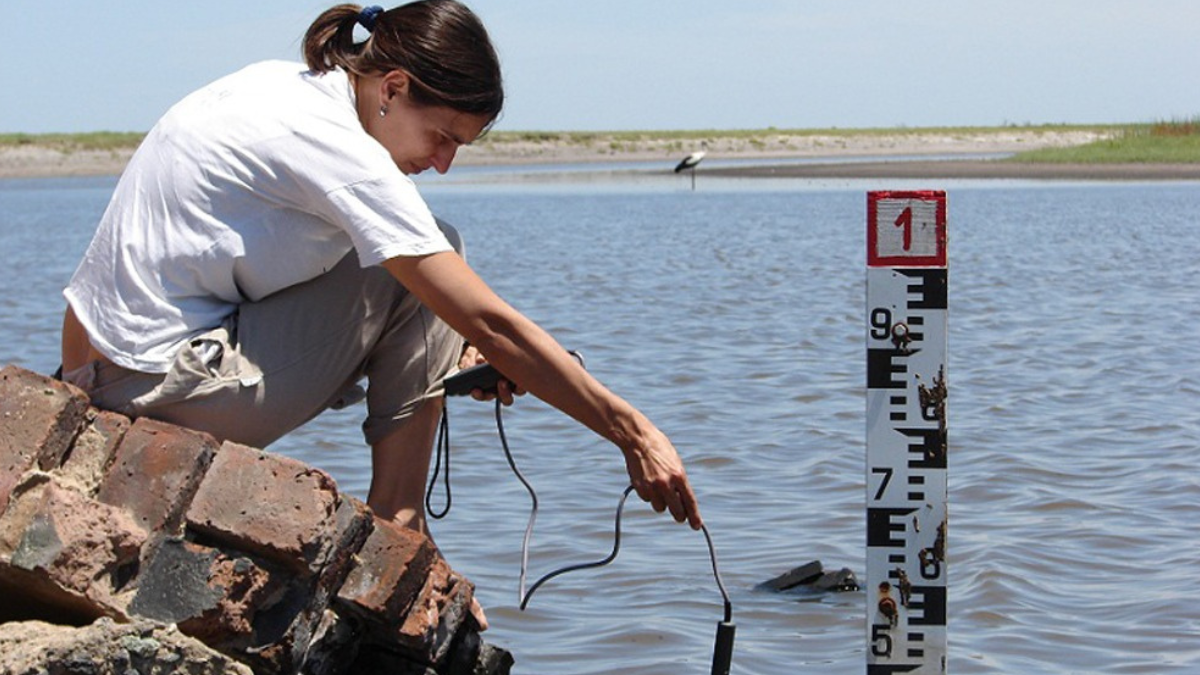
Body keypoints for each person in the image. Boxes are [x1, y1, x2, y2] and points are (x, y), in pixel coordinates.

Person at [59, 0, 702, 617]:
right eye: (442, 137)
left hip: (105, 368)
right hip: (150, 389)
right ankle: (402, 522)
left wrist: (454, 347)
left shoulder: (287, 87)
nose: (443, 163)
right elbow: (489, 320)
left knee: (423, 266)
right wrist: (631, 432)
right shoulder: (339, 146)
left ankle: (402, 514)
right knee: (434, 253)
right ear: (392, 87)